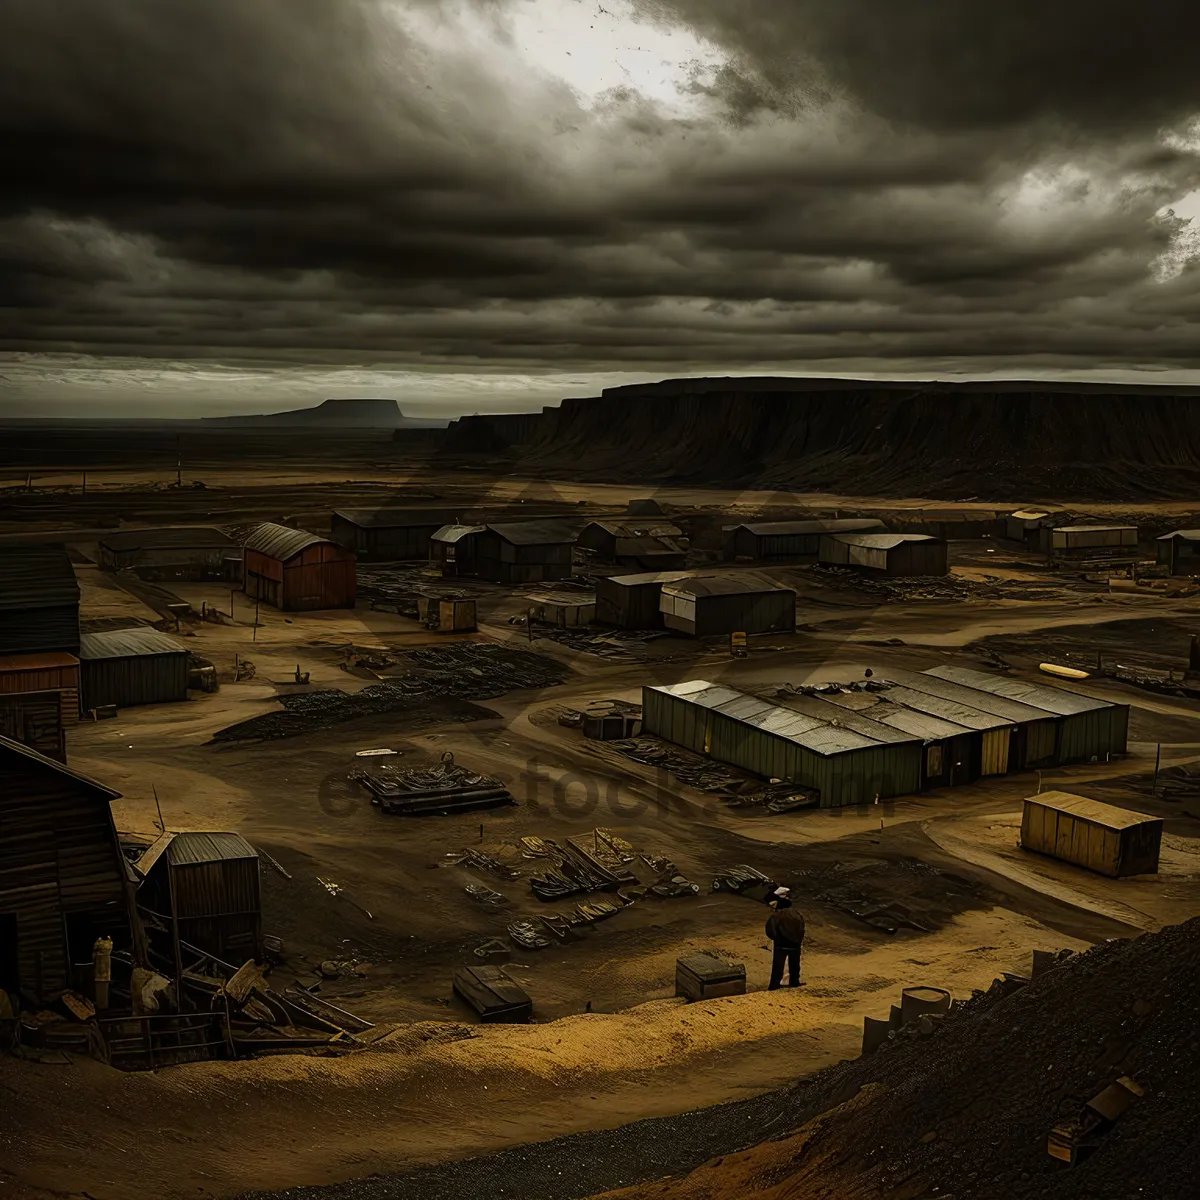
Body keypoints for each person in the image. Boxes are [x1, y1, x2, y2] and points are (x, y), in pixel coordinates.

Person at [765, 887, 805, 990]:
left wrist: (777, 939)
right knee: (795, 966)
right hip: (795, 945)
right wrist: (798, 941)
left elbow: (770, 931)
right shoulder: (797, 914)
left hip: (781, 945)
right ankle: (794, 983)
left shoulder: (776, 916)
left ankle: (774, 986)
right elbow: (802, 929)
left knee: (777, 968)